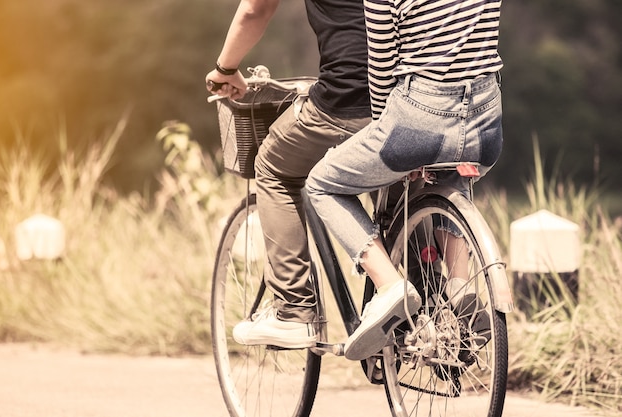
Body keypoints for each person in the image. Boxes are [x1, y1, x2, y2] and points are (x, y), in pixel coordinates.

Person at [305, 0, 504, 361]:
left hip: (420, 116)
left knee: (321, 183)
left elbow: (381, 66)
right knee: (450, 169)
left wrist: (393, 139)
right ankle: (460, 285)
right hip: (486, 124)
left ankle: (389, 285)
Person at [205, 0, 372, 348]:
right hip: (414, 94)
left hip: (346, 100)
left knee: (272, 166)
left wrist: (225, 68)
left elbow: (256, 9)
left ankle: (294, 310)